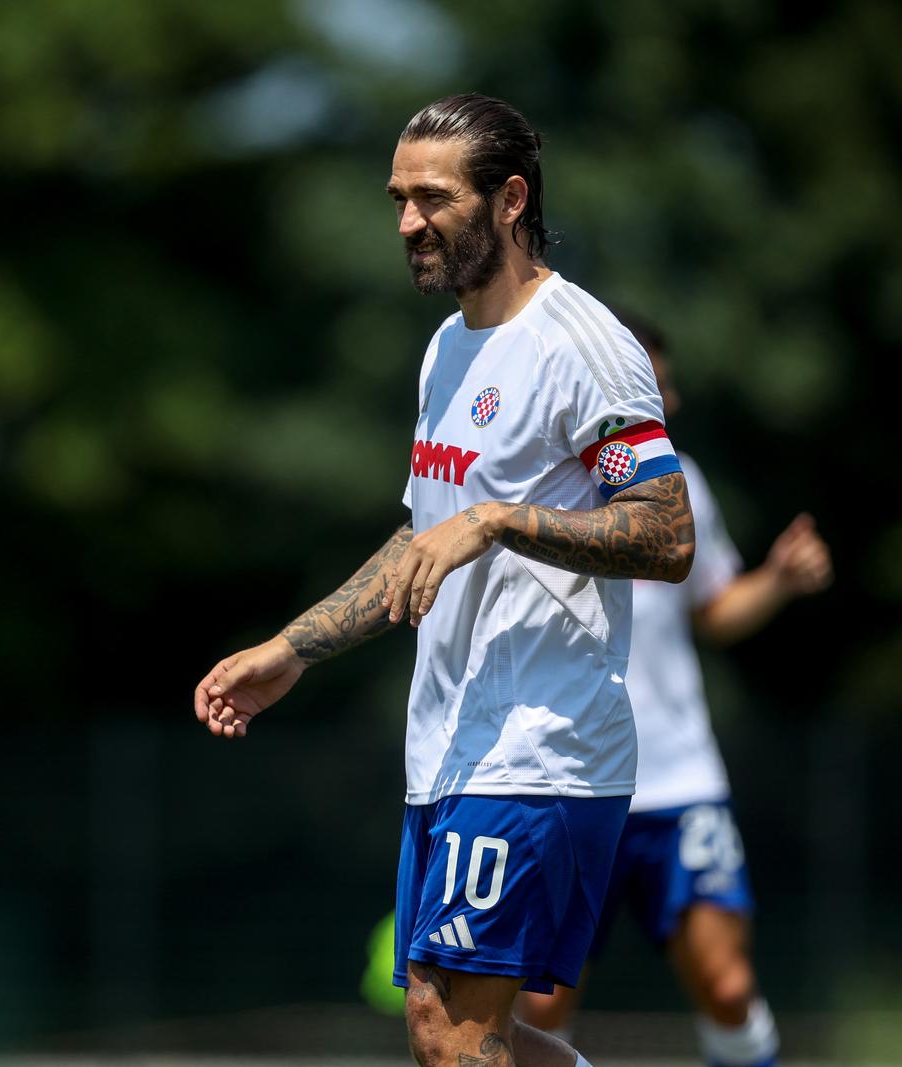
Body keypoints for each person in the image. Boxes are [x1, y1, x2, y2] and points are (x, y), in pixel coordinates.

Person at [193, 93, 695, 1067]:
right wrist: (290, 648)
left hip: (538, 746)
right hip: (450, 748)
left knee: (453, 1037)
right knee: (452, 1034)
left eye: (431, 197)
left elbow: (666, 533)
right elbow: (422, 539)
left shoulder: (581, 345)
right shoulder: (446, 348)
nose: (407, 223)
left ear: (509, 199)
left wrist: (500, 517)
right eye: (397, 199)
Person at [513, 313, 834, 1067]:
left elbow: (716, 609)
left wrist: (778, 582)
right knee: (538, 1007)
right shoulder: (538, 482)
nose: (673, 401)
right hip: (567, 780)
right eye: (656, 386)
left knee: (726, 983)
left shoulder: (680, 482)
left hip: (679, 779)